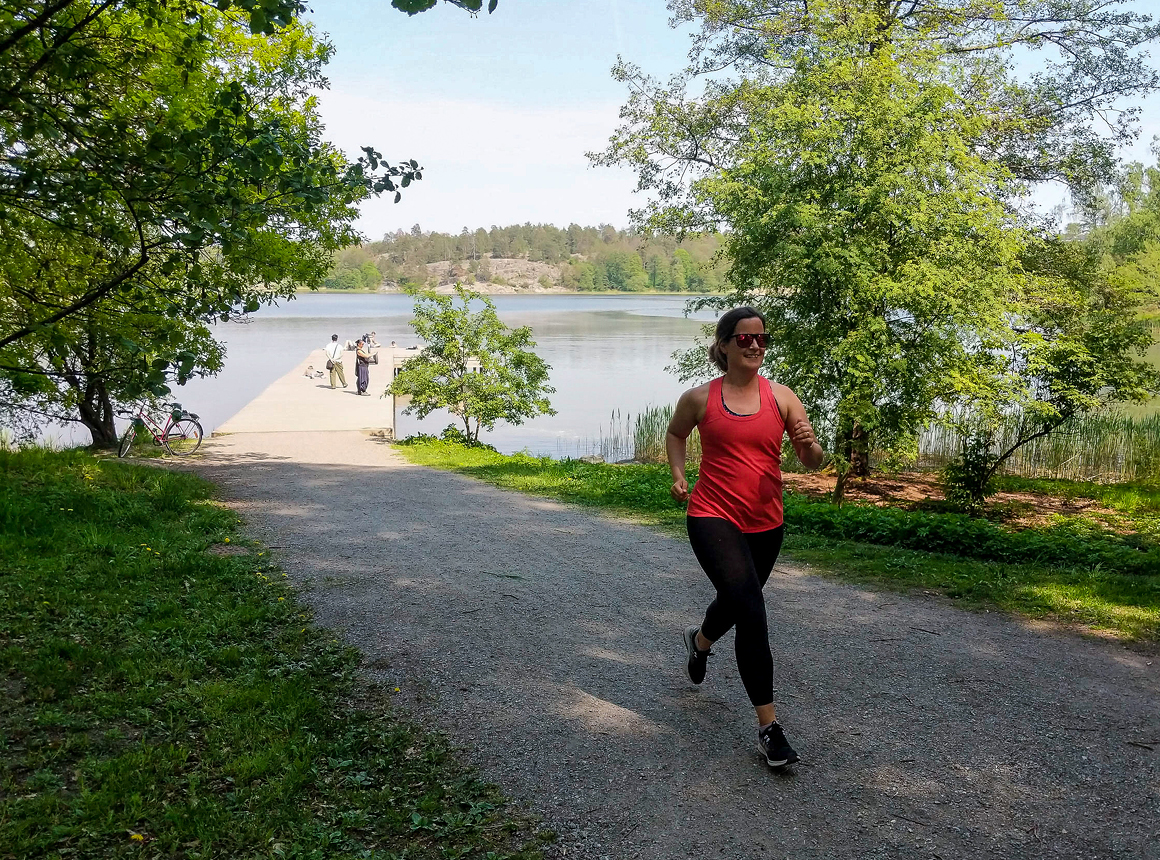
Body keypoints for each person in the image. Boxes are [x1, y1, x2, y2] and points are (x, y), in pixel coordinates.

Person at [666, 306, 824, 770]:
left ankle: (699, 642)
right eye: (744, 338)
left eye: (761, 338)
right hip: (712, 515)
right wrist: (679, 473)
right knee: (752, 611)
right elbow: (676, 435)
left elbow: (812, 460)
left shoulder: (782, 397)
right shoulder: (699, 398)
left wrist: (811, 444)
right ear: (723, 345)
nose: (754, 345)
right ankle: (769, 729)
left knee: (737, 602)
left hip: (766, 522)